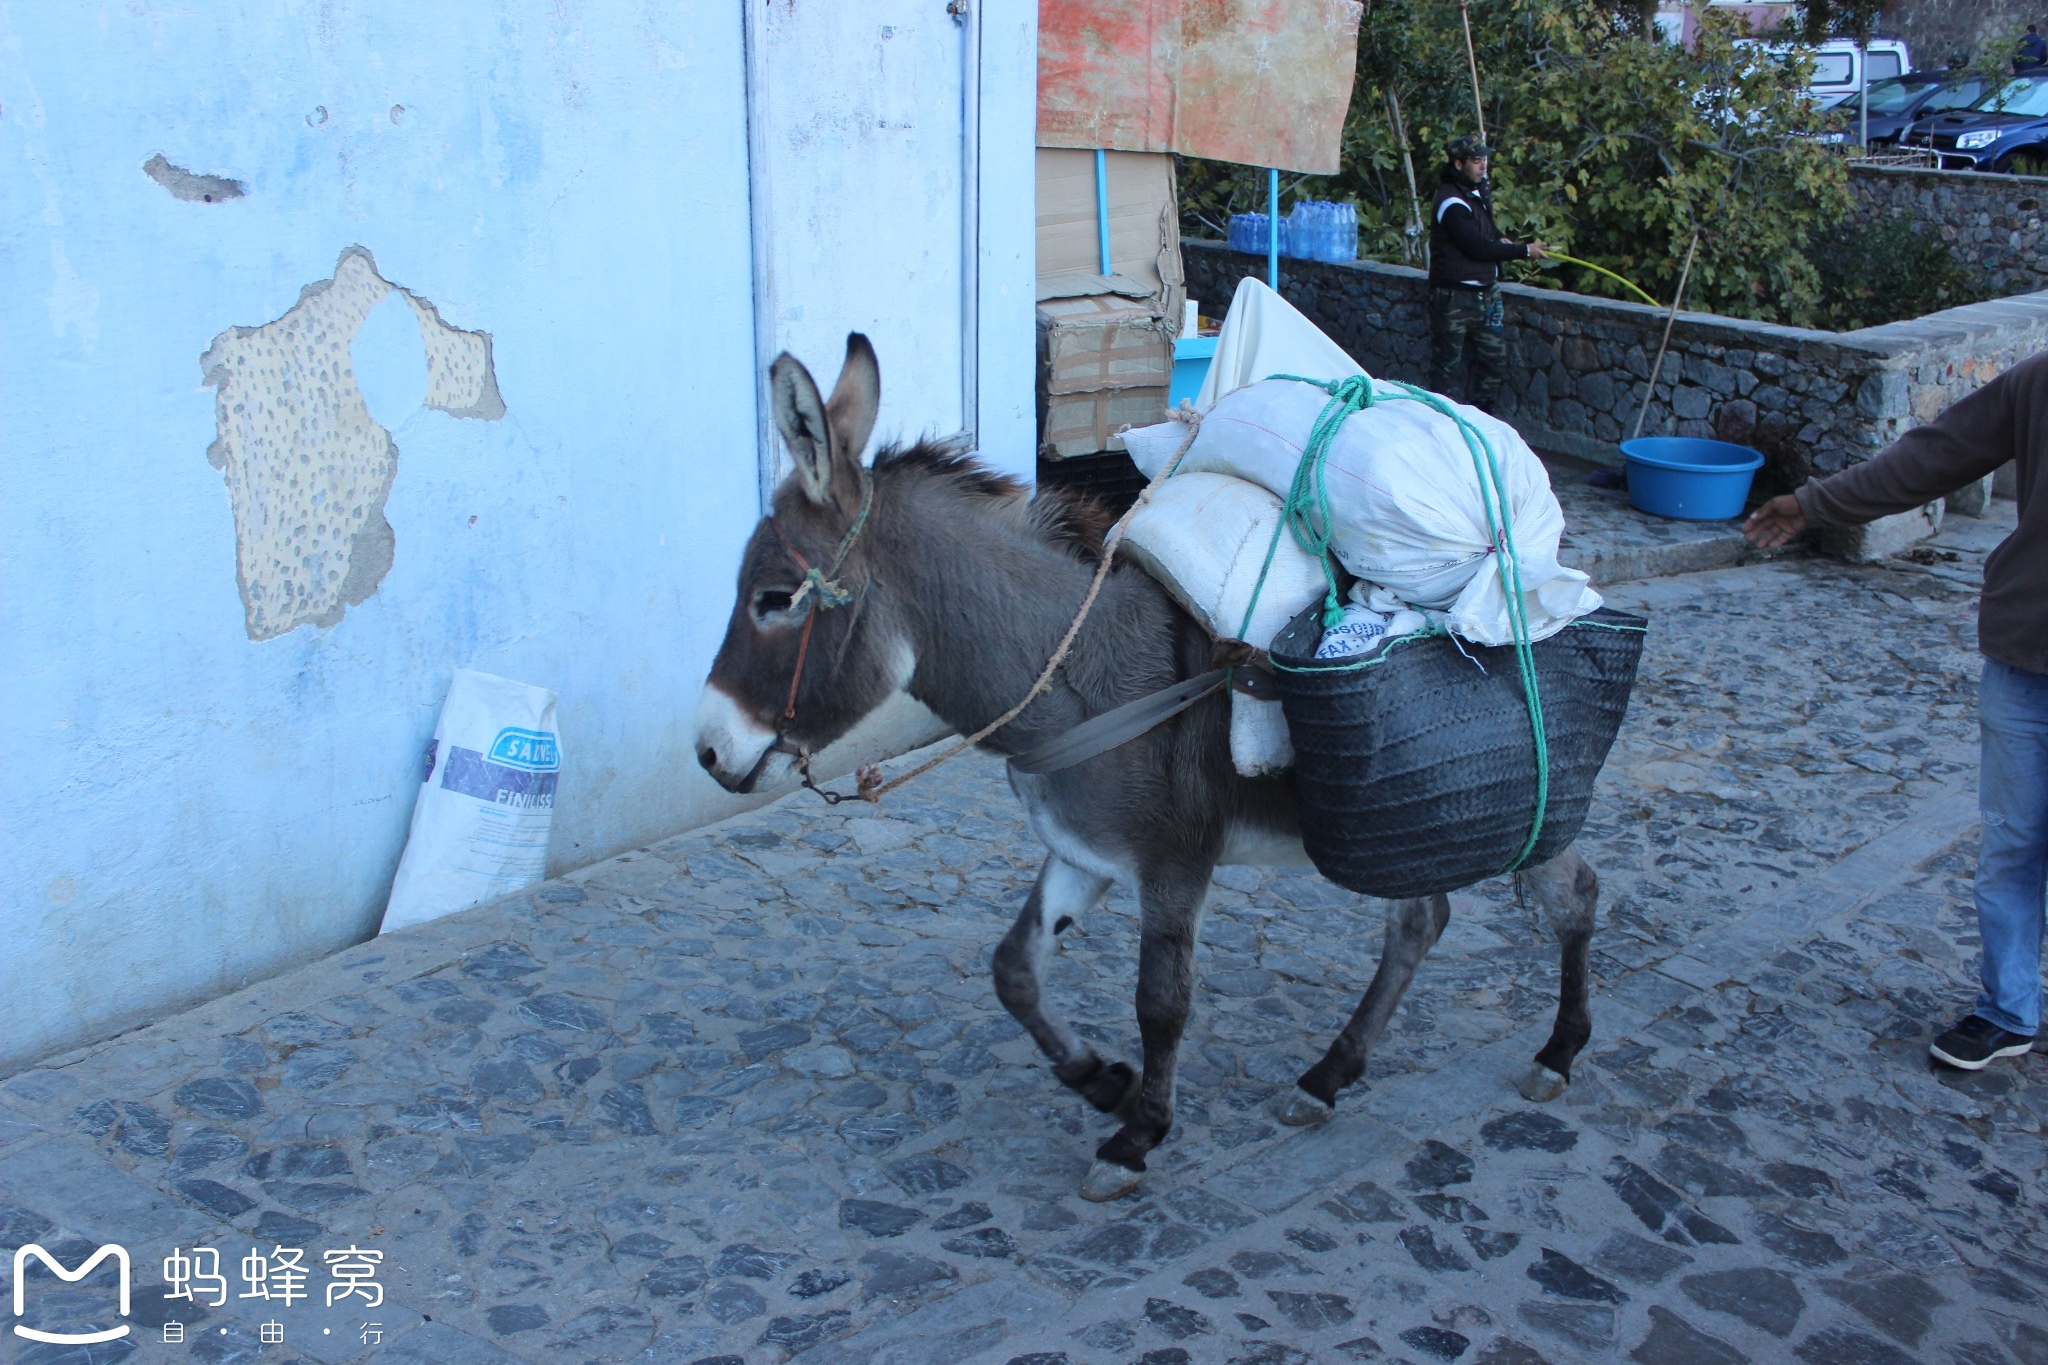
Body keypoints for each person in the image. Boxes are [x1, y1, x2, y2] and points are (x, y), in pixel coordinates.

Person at [1744, 350, 2048, 1072]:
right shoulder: (2039, 382)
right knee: (2013, 843)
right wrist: (1815, 503)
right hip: (2026, 655)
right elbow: (1933, 456)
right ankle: (2008, 1010)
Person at [1427, 135, 1549, 412]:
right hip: (1454, 297)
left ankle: (1482, 419)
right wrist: (1523, 251)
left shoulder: (1477, 192)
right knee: (1446, 367)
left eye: (1485, 160)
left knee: (1493, 362)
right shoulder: (1451, 202)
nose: (1483, 166)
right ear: (1458, 164)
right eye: (1475, 161)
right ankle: (1437, 422)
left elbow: (1487, 231)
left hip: (1486, 294)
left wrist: (1502, 238)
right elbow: (1476, 247)